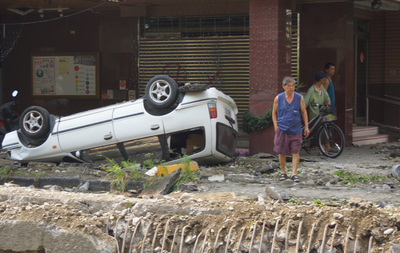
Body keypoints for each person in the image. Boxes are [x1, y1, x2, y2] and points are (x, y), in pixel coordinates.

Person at [272, 76, 309, 183]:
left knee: (295, 151)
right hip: (282, 129)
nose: (291, 88)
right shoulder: (278, 98)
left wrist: (306, 126)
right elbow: (274, 113)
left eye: (293, 86)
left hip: (296, 129)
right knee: (281, 152)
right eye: (289, 86)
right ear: (283, 86)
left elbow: (304, 112)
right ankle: (283, 172)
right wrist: (276, 126)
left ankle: (294, 173)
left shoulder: (299, 98)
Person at [303, 71, 331, 155]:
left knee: (329, 123)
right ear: (321, 79)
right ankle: (324, 147)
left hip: (323, 112)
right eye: (324, 78)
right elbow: (305, 103)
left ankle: (324, 146)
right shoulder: (311, 90)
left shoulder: (322, 88)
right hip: (315, 114)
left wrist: (328, 102)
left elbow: (327, 98)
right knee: (321, 128)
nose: (325, 80)